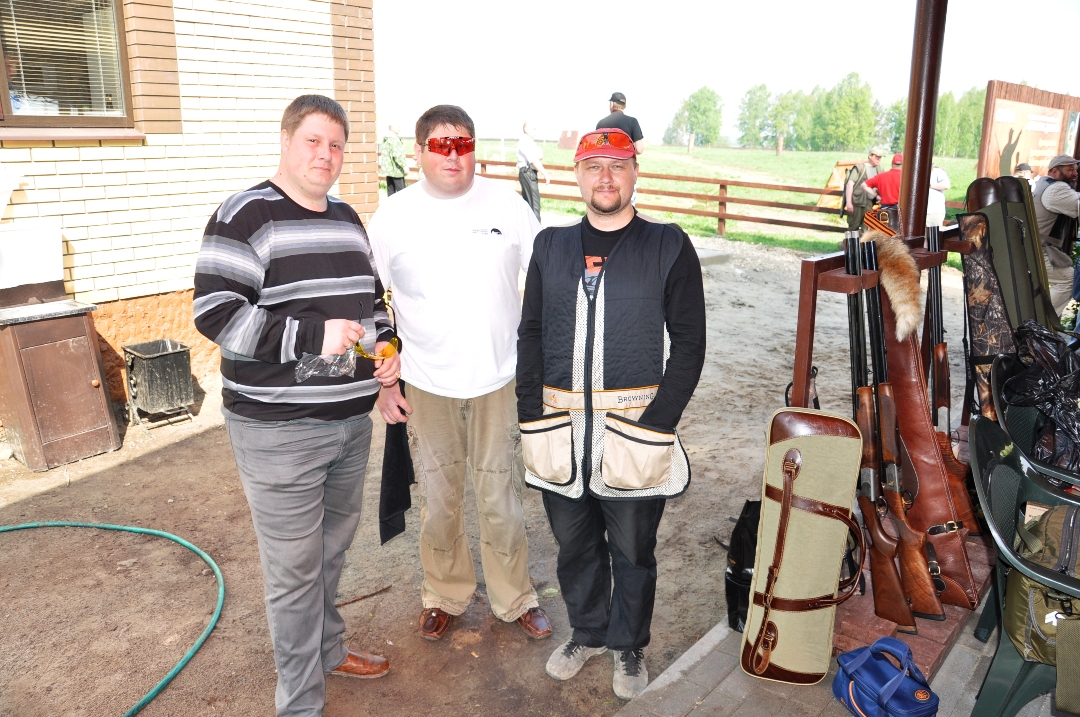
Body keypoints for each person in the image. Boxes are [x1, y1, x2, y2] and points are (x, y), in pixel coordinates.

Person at [193, 94, 396, 717]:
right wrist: (313, 335)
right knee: (294, 572)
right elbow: (215, 314)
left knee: (330, 553)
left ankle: (329, 650)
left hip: (349, 423)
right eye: (313, 141)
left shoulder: (348, 219)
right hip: (278, 430)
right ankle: (301, 704)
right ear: (285, 141)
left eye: (336, 145)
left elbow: (371, 306)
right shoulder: (245, 214)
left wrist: (384, 352)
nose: (325, 155)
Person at [517, 128, 706, 700]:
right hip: (559, 427)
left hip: (633, 429)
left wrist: (657, 424)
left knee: (632, 550)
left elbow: (690, 344)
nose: (606, 177)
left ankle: (629, 643)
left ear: (634, 172)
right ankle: (588, 632)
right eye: (594, 165)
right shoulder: (550, 246)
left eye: (617, 165)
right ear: (577, 175)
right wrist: (530, 414)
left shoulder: (667, 245)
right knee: (574, 546)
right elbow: (530, 333)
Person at [367, 104, 552, 644]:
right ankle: (445, 595)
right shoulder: (393, 216)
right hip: (427, 385)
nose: (453, 155)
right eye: (441, 145)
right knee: (439, 502)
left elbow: (548, 280)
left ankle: (515, 597)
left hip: (500, 381)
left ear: (475, 149)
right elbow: (365, 300)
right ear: (418, 152)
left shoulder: (508, 206)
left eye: (463, 144)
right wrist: (384, 383)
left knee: (502, 500)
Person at [1032, 154, 1080, 314]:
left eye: (1075, 169)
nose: (1075, 173)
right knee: (1070, 280)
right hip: (1039, 250)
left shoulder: (1044, 184)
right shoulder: (1057, 189)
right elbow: (1078, 205)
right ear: (1054, 171)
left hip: (1034, 247)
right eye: (1070, 169)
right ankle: (1040, 318)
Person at [844, 147, 887, 232]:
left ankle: (862, 241)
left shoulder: (880, 169)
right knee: (853, 227)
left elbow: (883, 185)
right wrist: (849, 202)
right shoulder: (859, 168)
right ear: (870, 155)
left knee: (867, 228)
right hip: (857, 203)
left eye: (880, 157)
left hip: (870, 203)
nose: (879, 159)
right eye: (877, 156)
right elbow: (850, 184)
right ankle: (851, 241)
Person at [517, 122, 550, 221]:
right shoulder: (526, 141)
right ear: (526, 129)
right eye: (533, 129)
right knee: (534, 204)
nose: (535, 131)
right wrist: (545, 173)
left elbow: (540, 155)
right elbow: (534, 160)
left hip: (526, 172)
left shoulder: (527, 141)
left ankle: (529, 226)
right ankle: (536, 227)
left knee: (528, 202)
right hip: (528, 171)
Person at [379, 124, 408, 196]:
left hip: (389, 170)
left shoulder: (386, 139)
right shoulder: (394, 139)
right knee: (402, 193)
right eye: (398, 126)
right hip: (396, 170)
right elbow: (397, 155)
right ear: (392, 128)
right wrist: (404, 166)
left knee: (391, 192)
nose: (399, 129)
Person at [926, 163, 951, 229]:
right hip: (918, 212)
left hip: (933, 211)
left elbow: (946, 185)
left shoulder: (938, 171)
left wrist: (928, 183)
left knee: (932, 234)